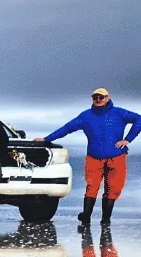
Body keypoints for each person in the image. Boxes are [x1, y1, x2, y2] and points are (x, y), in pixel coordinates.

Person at [36, 88, 140, 228]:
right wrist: (46, 139)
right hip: (94, 157)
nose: (98, 100)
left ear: (107, 98)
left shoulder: (119, 113)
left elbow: (138, 119)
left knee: (113, 188)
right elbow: (67, 128)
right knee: (92, 186)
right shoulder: (86, 116)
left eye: (101, 97)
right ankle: (86, 217)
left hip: (116, 157)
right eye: (95, 97)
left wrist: (128, 139)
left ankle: (105, 220)